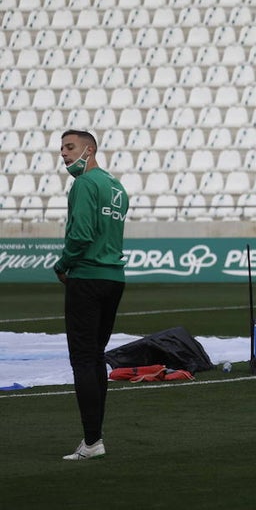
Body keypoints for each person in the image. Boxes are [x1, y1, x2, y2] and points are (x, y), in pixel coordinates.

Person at [53, 129, 129, 461]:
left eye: (69, 147)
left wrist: (62, 264)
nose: (63, 154)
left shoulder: (84, 184)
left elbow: (81, 234)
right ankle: (93, 439)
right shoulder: (117, 187)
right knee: (96, 356)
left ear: (90, 148)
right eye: (61, 148)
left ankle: (92, 441)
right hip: (114, 277)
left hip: (87, 275)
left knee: (84, 358)